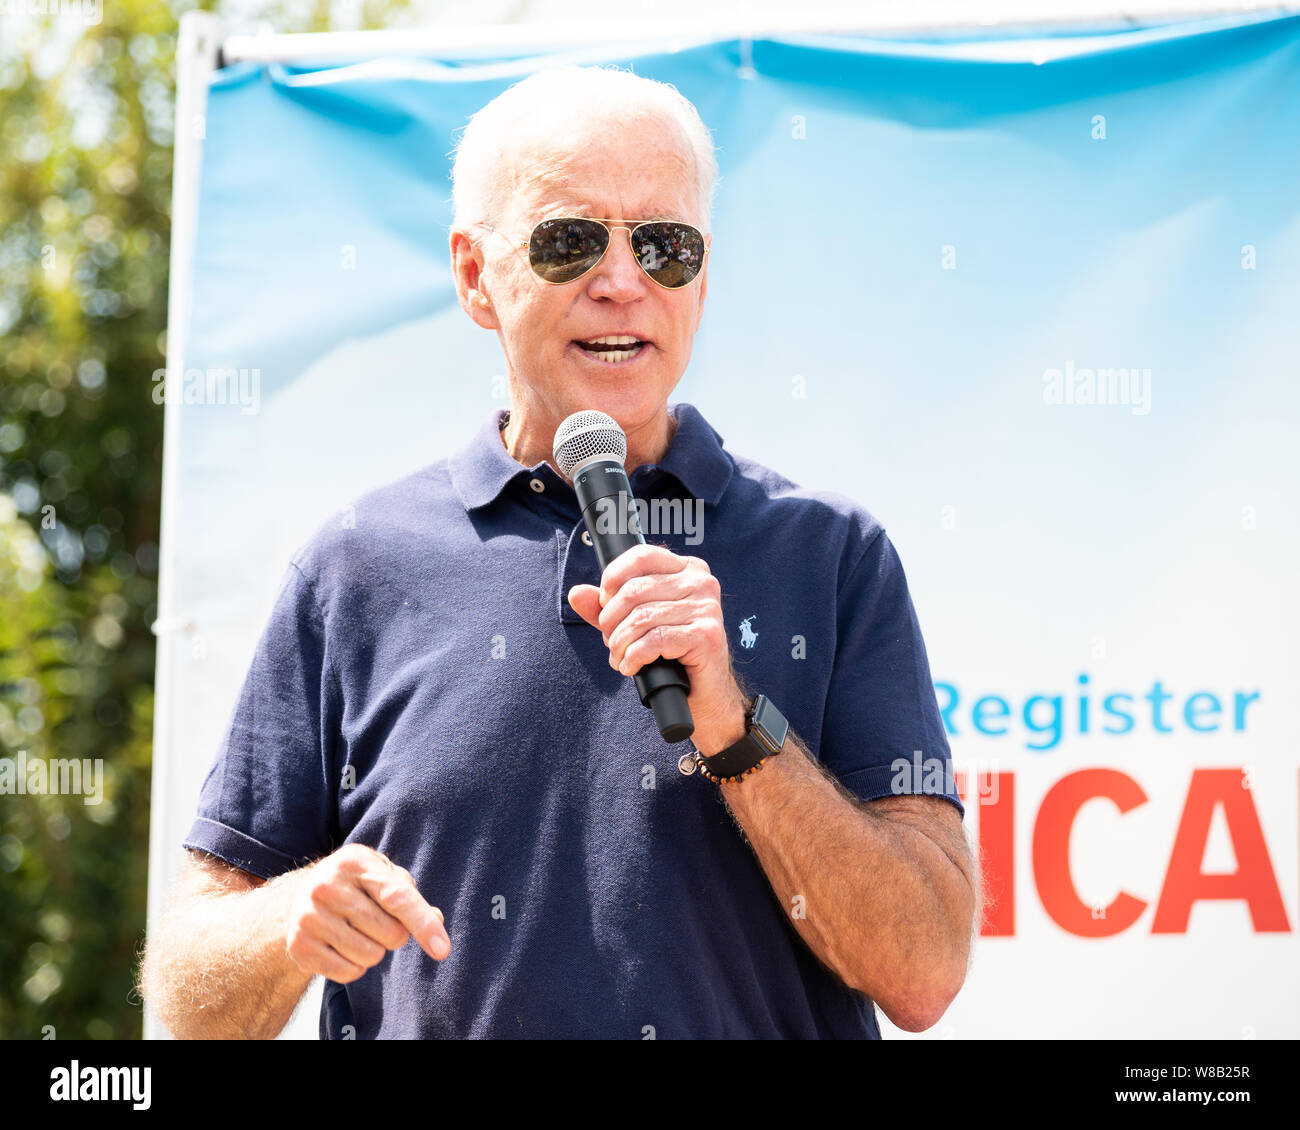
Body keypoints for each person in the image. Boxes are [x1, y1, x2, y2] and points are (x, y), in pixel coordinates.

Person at [139, 64, 977, 1040]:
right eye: (570, 240)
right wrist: (288, 916)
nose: (621, 281)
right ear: (473, 275)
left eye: (662, 244)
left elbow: (923, 973)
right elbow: (190, 1004)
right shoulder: (354, 568)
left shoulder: (831, 554)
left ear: (699, 280)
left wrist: (738, 727)